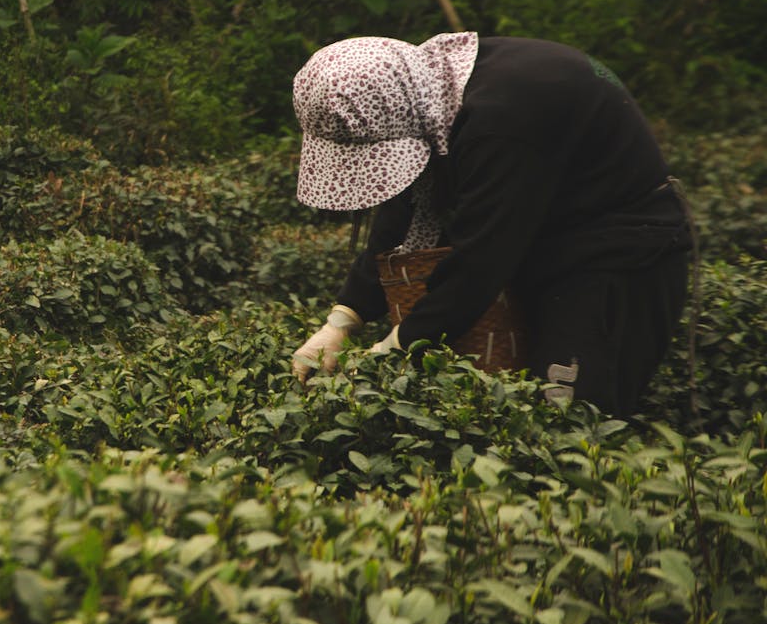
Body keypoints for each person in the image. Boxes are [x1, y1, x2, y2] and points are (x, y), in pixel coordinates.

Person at [289, 32, 692, 415]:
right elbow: (406, 208)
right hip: (543, 241)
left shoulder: (502, 120)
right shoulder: (432, 89)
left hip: (618, 256)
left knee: (566, 419)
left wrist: (393, 347)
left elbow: (481, 258)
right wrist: (342, 322)